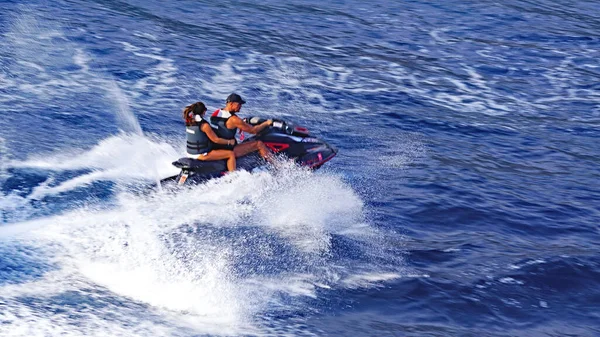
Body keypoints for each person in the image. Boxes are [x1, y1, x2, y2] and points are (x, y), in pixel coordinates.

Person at [210, 93, 273, 160]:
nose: (240, 106)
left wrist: (240, 124)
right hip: (229, 149)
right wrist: (266, 123)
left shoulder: (217, 113)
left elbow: (224, 124)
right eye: (239, 104)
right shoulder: (234, 119)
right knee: (259, 144)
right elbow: (253, 130)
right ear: (231, 104)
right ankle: (275, 166)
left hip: (216, 147)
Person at [183, 102, 236, 172]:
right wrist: (229, 142)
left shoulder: (189, 121)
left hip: (190, 153)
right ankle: (233, 176)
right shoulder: (204, 125)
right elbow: (216, 140)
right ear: (203, 112)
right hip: (201, 155)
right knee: (230, 154)